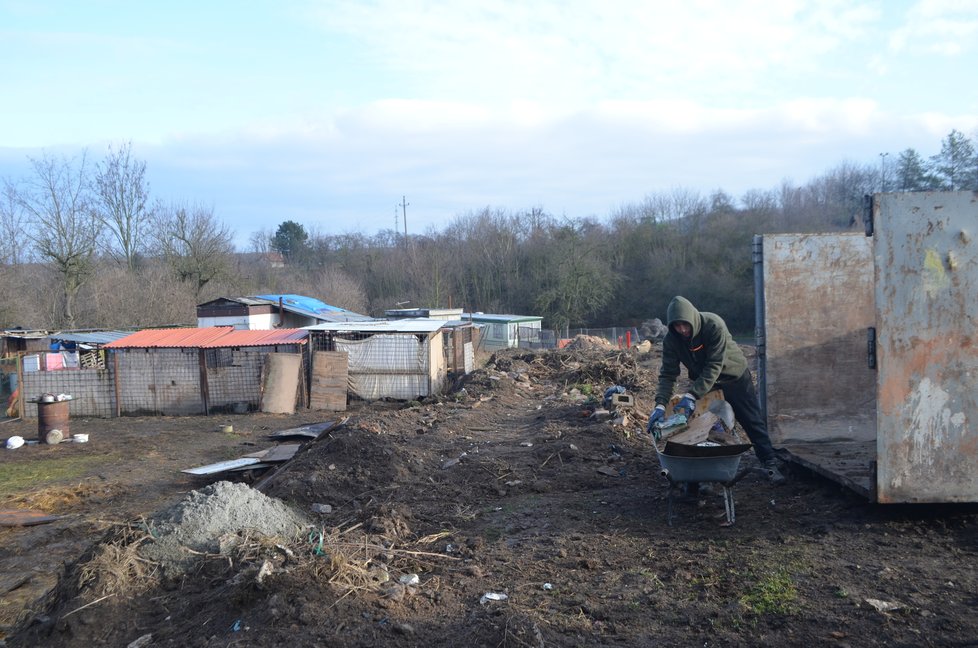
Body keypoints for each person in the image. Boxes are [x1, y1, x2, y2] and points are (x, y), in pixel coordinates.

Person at [647, 296, 786, 485]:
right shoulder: (672, 340)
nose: (682, 330)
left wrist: (691, 395)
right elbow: (668, 374)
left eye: (685, 325)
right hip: (705, 383)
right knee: (703, 425)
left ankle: (769, 461)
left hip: (733, 376)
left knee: (751, 419)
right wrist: (660, 405)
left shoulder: (713, 325)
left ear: (692, 319)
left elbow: (714, 366)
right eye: (677, 326)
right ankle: (703, 476)